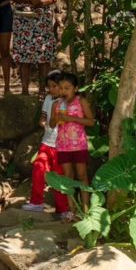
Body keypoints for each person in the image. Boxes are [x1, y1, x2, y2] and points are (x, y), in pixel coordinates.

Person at [8, 0, 60, 96]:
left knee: (43, 57)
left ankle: (42, 90)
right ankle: (25, 90)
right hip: (22, 23)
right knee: (24, 57)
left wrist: (41, 2)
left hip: (42, 24)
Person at [23, 71, 71, 217]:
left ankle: (63, 209)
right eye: (49, 86)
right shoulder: (48, 99)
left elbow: (62, 122)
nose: (51, 89)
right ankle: (36, 202)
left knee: (59, 176)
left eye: (54, 86)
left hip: (60, 145)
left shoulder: (66, 102)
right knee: (38, 168)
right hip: (47, 142)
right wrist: (42, 122)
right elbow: (44, 117)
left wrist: (53, 119)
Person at [50, 72, 95, 220]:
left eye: (67, 88)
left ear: (75, 88)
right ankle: (71, 211)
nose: (63, 91)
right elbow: (51, 124)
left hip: (79, 145)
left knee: (82, 176)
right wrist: (56, 118)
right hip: (62, 146)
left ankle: (86, 210)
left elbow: (91, 121)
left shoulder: (81, 101)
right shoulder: (56, 104)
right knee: (68, 178)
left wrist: (71, 118)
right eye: (61, 88)